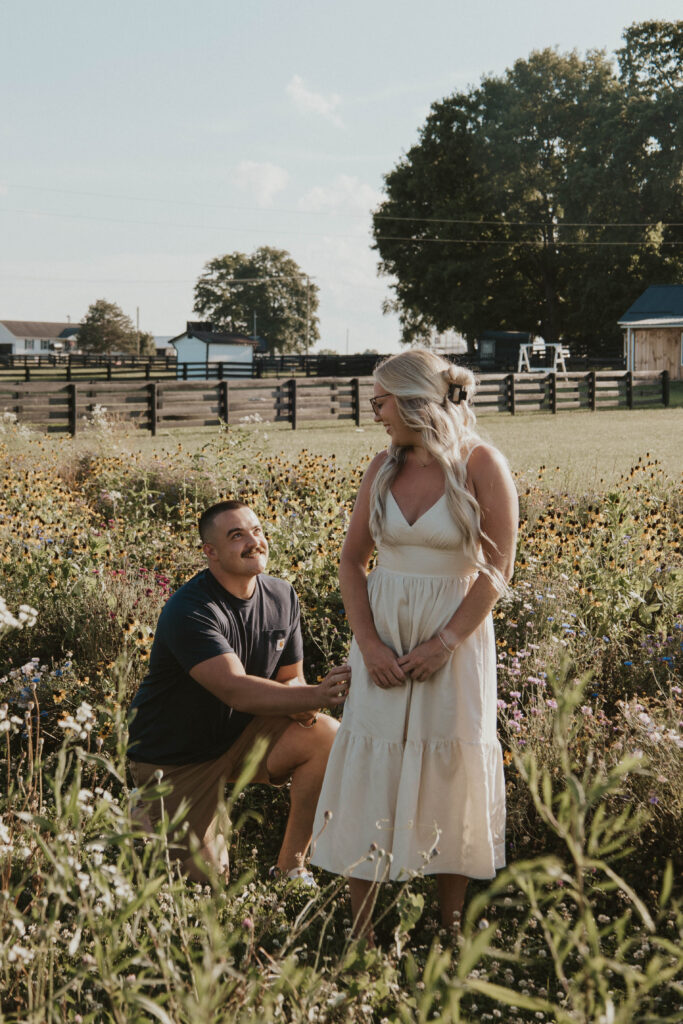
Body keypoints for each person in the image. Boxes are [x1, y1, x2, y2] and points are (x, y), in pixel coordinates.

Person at [310, 349, 518, 935]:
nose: (373, 412)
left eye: (379, 402)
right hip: (383, 634)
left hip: (454, 637)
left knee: (450, 764)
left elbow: (499, 568)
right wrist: (369, 644)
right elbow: (352, 562)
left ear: (411, 402)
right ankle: (361, 934)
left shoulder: (480, 464)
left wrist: (446, 642)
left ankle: (450, 929)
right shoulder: (381, 467)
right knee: (371, 761)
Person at [128, 499, 350, 885]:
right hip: (177, 757)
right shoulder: (190, 609)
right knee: (208, 883)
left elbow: (290, 680)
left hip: (242, 737)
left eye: (257, 531)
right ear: (209, 552)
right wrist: (317, 695)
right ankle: (148, 810)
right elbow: (235, 691)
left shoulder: (281, 595)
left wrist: (307, 705)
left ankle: (291, 868)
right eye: (237, 536)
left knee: (327, 736)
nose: (254, 542)